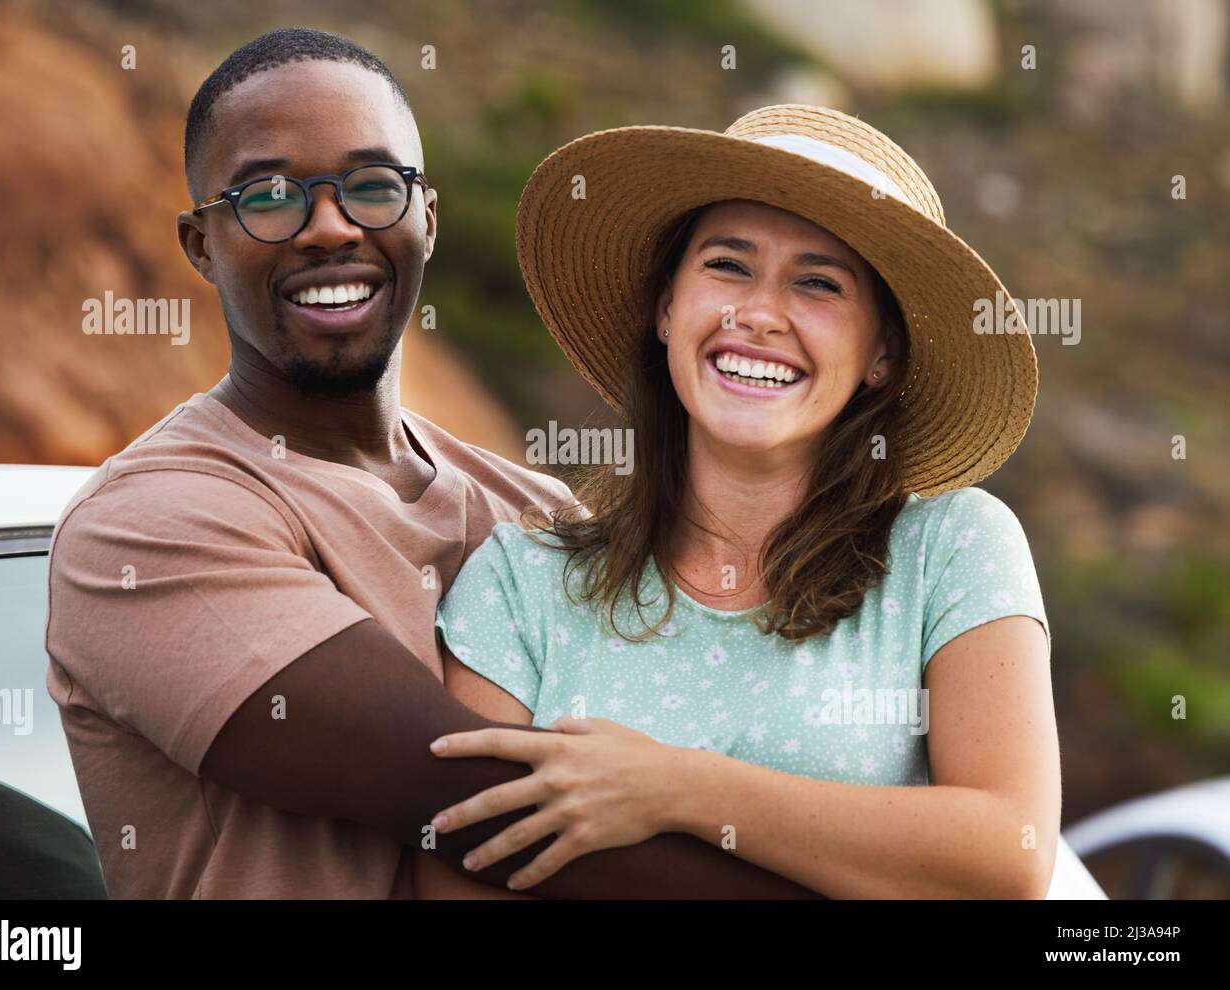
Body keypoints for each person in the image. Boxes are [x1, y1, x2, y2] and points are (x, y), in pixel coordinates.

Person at [44, 30, 816, 899]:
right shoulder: (147, 524)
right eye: (268, 197)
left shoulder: (539, 510)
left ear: (428, 219)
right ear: (199, 244)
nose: (328, 226)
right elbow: (471, 796)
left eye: (374, 187)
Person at [417, 105, 1060, 898]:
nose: (758, 314)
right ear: (665, 308)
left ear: (882, 353)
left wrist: (677, 790)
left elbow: (1010, 855)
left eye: (819, 283)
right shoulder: (522, 583)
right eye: (727, 265)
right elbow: (459, 867)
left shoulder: (953, 549)